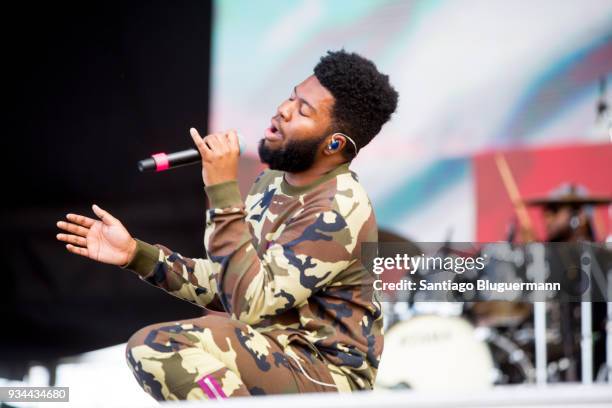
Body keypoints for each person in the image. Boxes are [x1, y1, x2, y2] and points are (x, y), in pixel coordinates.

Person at [56, 49, 398, 400]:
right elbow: (232, 286)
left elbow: (252, 302)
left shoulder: (338, 206)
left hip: (326, 373)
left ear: (335, 144)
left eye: (303, 110)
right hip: (276, 351)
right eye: (292, 96)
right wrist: (137, 255)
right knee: (170, 342)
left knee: (160, 346)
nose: (283, 108)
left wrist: (221, 188)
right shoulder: (272, 183)